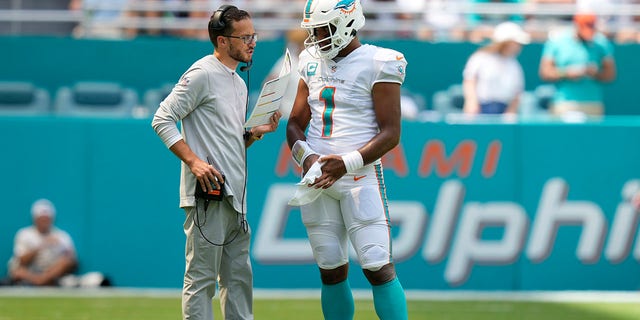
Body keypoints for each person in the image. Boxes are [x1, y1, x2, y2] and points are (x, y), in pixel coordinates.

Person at [151, 4, 281, 320]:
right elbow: (162, 118)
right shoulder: (202, 73)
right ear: (222, 41)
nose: (252, 42)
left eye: (254, 35)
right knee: (202, 280)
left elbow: (230, 142)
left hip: (236, 198)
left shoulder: (237, 82)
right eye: (245, 36)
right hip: (208, 197)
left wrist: (254, 133)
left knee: (238, 281)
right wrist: (194, 163)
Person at [286, 0, 408, 319]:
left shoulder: (380, 61)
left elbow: (391, 133)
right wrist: (308, 157)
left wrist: (345, 163)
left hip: (359, 177)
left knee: (377, 266)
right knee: (330, 270)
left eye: (322, 29)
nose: (315, 38)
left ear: (346, 23)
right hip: (318, 179)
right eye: (312, 30)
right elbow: (295, 124)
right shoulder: (310, 59)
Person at [539, 12, 617, 117]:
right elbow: (545, 73)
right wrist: (566, 73)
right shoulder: (557, 41)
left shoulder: (601, 42)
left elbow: (610, 75)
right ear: (576, 26)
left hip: (592, 104)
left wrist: (595, 73)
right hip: (564, 103)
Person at [462, 21, 530, 115]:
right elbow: (470, 81)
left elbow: (517, 93)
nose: (518, 47)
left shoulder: (514, 65)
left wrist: (511, 111)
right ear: (505, 42)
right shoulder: (480, 58)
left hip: (503, 110)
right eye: (516, 43)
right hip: (480, 108)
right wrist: (471, 102)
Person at [6, 199, 77, 286]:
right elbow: (22, 260)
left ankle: (41, 281)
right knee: (18, 271)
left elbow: (72, 262)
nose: (44, 221)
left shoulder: (62, 236)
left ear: (52, 219)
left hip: (51, 273)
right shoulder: (24, 234)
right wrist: (43, 245)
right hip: (30, 271)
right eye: (41, 218)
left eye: (47, 218)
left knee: (65, 262)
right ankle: (40, 281)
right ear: (35, 219)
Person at [263, 28, 308, 119]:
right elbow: (269, 85)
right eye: (301, 42)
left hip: (307, 117)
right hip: (286, 116)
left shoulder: (312, 62)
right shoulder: (286, 61)